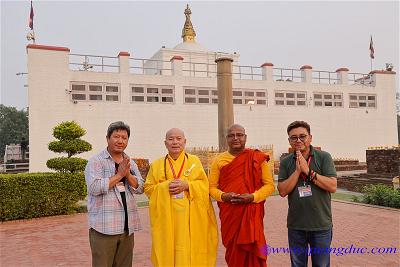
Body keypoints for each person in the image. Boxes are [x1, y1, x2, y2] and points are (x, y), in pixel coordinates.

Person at [144, 128, 218, 267]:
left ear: (185, 142)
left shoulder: (194, 161)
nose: (175, 142)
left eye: (179, 139)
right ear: (165, 143)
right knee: (169, 250)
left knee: (190, 250)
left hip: (191, 219)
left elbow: (204, 185)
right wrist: (165, 186)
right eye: (171, 139)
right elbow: (148, 188)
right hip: (168, 219)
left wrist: (187, 185)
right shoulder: (157, 164)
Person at [209, 124, 275, 267]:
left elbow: (269, 185)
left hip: (251, 213)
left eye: (239, 135)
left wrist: (253, 197)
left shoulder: (257, 158)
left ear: (245, 137)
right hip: (230, 214)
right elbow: (211, 188)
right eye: (231, 135)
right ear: (226, 138)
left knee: (254, 250)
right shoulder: (218, 160)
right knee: (233, 253)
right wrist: (224, 196)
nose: (236, 138)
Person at [84, 121, 145, 267]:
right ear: (107, 138)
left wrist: (128, 175)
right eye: (116, 136)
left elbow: (141, 187)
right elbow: (94, 188)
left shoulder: (130, 162)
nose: (120, 141)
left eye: (124, 138)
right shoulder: (96, 161)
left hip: (127, 227)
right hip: (104, 228)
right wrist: (119, 175)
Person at [277, 121, 337, 267]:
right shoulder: (286, 162)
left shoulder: (323, 157)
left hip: (321, 225)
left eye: (302, 136)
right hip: (296, 226)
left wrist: (308, 171)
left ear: (310, 137)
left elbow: (332, 186)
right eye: (293, 137)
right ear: (289, 141)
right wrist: (298, 171)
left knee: (321, 265)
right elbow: (283, 191)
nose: (298, 140)